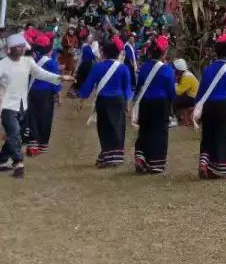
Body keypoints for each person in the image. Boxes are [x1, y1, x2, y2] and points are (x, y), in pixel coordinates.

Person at [0, 33, 70, 178]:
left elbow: (41, 74)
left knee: (15, 135)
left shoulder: (28, 62)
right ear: (9, 49)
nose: (21, 49)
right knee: (14, 134)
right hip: (6, 105)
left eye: (22, 47)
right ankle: (18, 164)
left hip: (22, 104)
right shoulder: (0, 65)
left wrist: (60, 77)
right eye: (18, 47)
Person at [77, 40, 134, 168]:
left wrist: (81, 100)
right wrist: (128, 105)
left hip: (103, 101)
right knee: (118, 127)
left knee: (105, 128)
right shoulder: (123, 68)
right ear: (118, 53)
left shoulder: (98, 67)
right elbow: (127, 89)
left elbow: (88, 84)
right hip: (119, 101)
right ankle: (117, 157)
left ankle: (107, 156)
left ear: (104, 53)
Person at [195, 34, 226, 179]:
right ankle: (218, 168)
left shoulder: (208, 69)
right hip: (222, 107)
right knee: (222, 136)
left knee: (208, 135)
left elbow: (201, 91)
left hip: (208, 106)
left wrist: (198, 108)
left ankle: (204, 162)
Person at [132, 35, 176, 174]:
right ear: (164, 53)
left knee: (144, 130)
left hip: (145, 103)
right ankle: (155, 164)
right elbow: (171, 91)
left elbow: (138, 87)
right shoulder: (167, 70)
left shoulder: (144, 67)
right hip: (160, 104)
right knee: (159, 133)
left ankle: (141, 157)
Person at [26, 34, 62, 156]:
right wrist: (58, 93)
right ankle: (42, 145)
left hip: (31, 92)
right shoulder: (51, 63)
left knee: (32, 117)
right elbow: (56, 80)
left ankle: (32, 145)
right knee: (45, 119)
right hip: (46, 94)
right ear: (49, 49)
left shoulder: (31, 60)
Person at [173, 58, 198, 126]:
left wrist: (174, 82)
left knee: (173, 101)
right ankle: (182, 118)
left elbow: (178, 91)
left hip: (191, 98)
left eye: (175, 69)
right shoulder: (187, 74)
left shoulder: (186, 77)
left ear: (179, 70)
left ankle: (176, 118)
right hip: (191, 96)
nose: (174, 70)